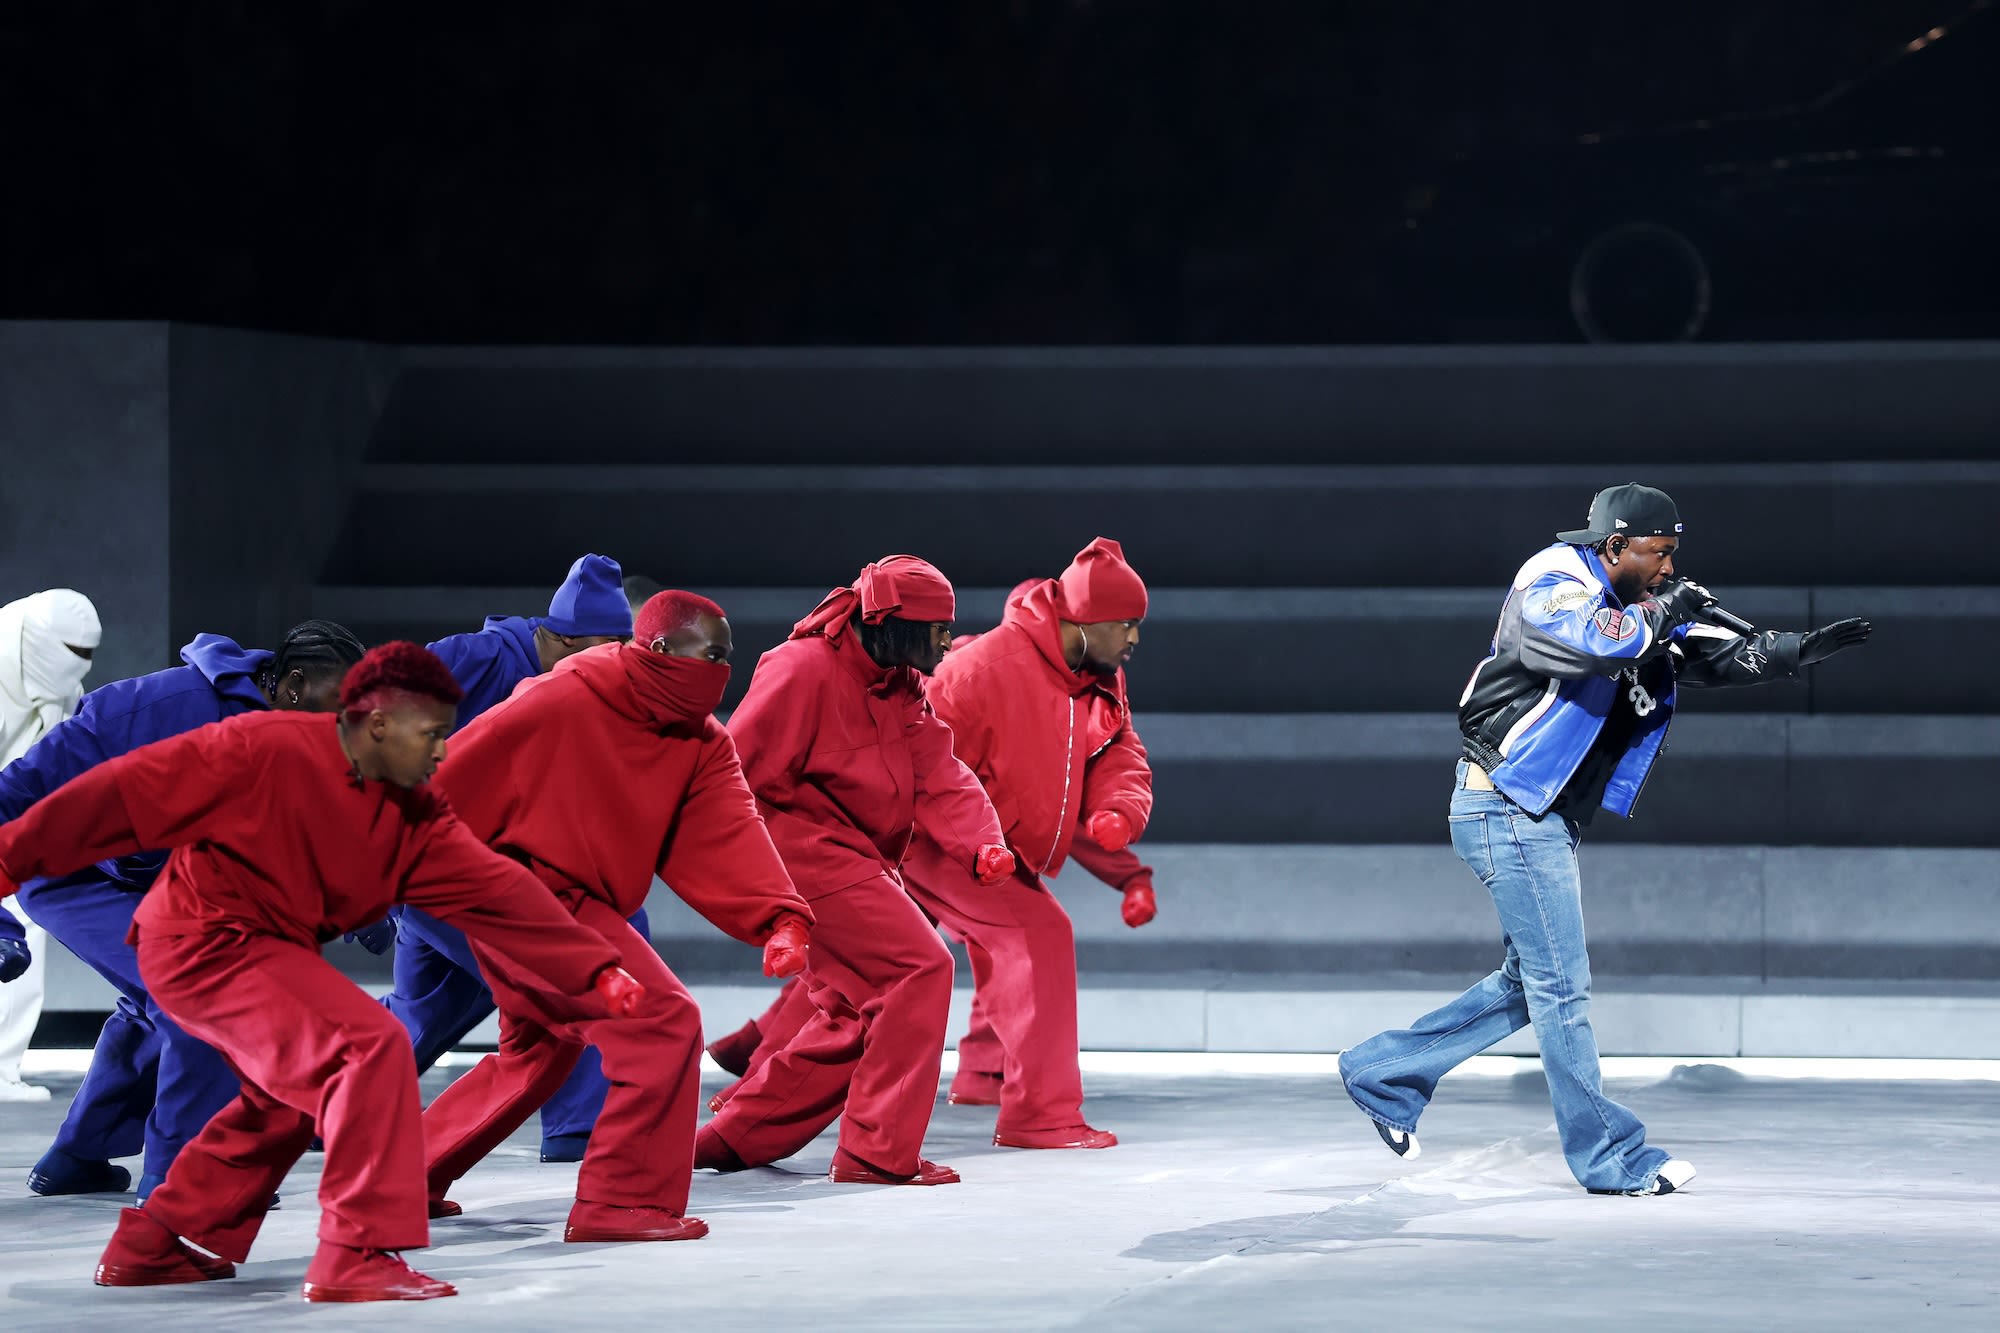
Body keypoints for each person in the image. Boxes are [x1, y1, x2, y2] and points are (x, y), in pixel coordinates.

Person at [0, 642, 651, 1301]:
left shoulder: (416, 812)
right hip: (198, 941)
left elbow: (500, 893)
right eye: (430, 734)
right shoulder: (260, 747)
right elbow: (112, 800)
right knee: (370, 1046)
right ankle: (357, 1253)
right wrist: (6, 860)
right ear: (376, 723)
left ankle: (156, 1242)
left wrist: (594, 969)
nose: (441, 752)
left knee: (283, 1101)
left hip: (269, 950)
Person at [1338, 484, 1872, 1196]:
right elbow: (1596, 641)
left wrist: (1788, 651)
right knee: (1563, 988)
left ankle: (1381, 1073)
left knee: (1530, 985)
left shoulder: (1637, 604)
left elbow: (1697, 652)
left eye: (1674, 555)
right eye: (1659, 553)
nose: (1668, 567)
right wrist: (1662, 609)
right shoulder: (1553, 580)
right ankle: (1611, 1157)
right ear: (1615, 546)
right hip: (1507, 806)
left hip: (1537, 813)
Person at [420, 591, 814, 1240]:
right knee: (664, 1020)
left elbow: (726, 829)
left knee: (540, 1048)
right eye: (710, 653)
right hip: (522, 900)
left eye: (728, 656)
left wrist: (781, 917)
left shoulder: (700, 738)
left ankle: (403, 1176)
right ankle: (621, 1203)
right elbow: (453, 772)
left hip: (582, 906)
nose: (722, 668)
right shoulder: (563, 697)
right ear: (659, 651)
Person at [1, 620, 365, 1200]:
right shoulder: (154, 707)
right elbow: (10, 796)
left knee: (160, 1000)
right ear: (296, 683)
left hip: (156, 881)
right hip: (68, 870)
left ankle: (79, 1155)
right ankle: (186, 1183)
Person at [695, 556, 1012, 1186]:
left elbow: (939, 768)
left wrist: (982, 841)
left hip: (857, 855)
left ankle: (730, 1139)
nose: (948, 639)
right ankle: (876, 1152)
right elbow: (735, 779)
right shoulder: (801, 669)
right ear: (890, 622)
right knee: (921, 969)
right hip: (803, 852)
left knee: (853, 1011)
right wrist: (763, 898)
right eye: (938, 627)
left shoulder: (899, 682)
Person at [377, 552, 639, 1162]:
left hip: (482, 876)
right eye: (608, 646)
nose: (617, 661)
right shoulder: (475, 657)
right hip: (434, 873)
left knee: (429, 1010)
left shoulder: (587, 686)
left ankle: (316, 1111)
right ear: (563, 638)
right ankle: (578, 1128)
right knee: (575, 971)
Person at [911, 544, 1153, 1146]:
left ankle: (991, 1079)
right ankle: (1040, 1115)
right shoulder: (980, 670)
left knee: (878, 975)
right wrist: (969, 842)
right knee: (1033, 934)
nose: (1133, 640)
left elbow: (1118, 750)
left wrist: (1119, 810)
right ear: (1082, 621)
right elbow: (913, 766)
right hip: (931, 840)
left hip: (994, 850)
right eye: (1125, 625)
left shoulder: (1099, 672)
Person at [0, 589, 102, 1103]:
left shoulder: (62, 679)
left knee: (26, 922)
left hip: (17, 824)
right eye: (71, 651)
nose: (78, 665)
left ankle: (2, 1067)